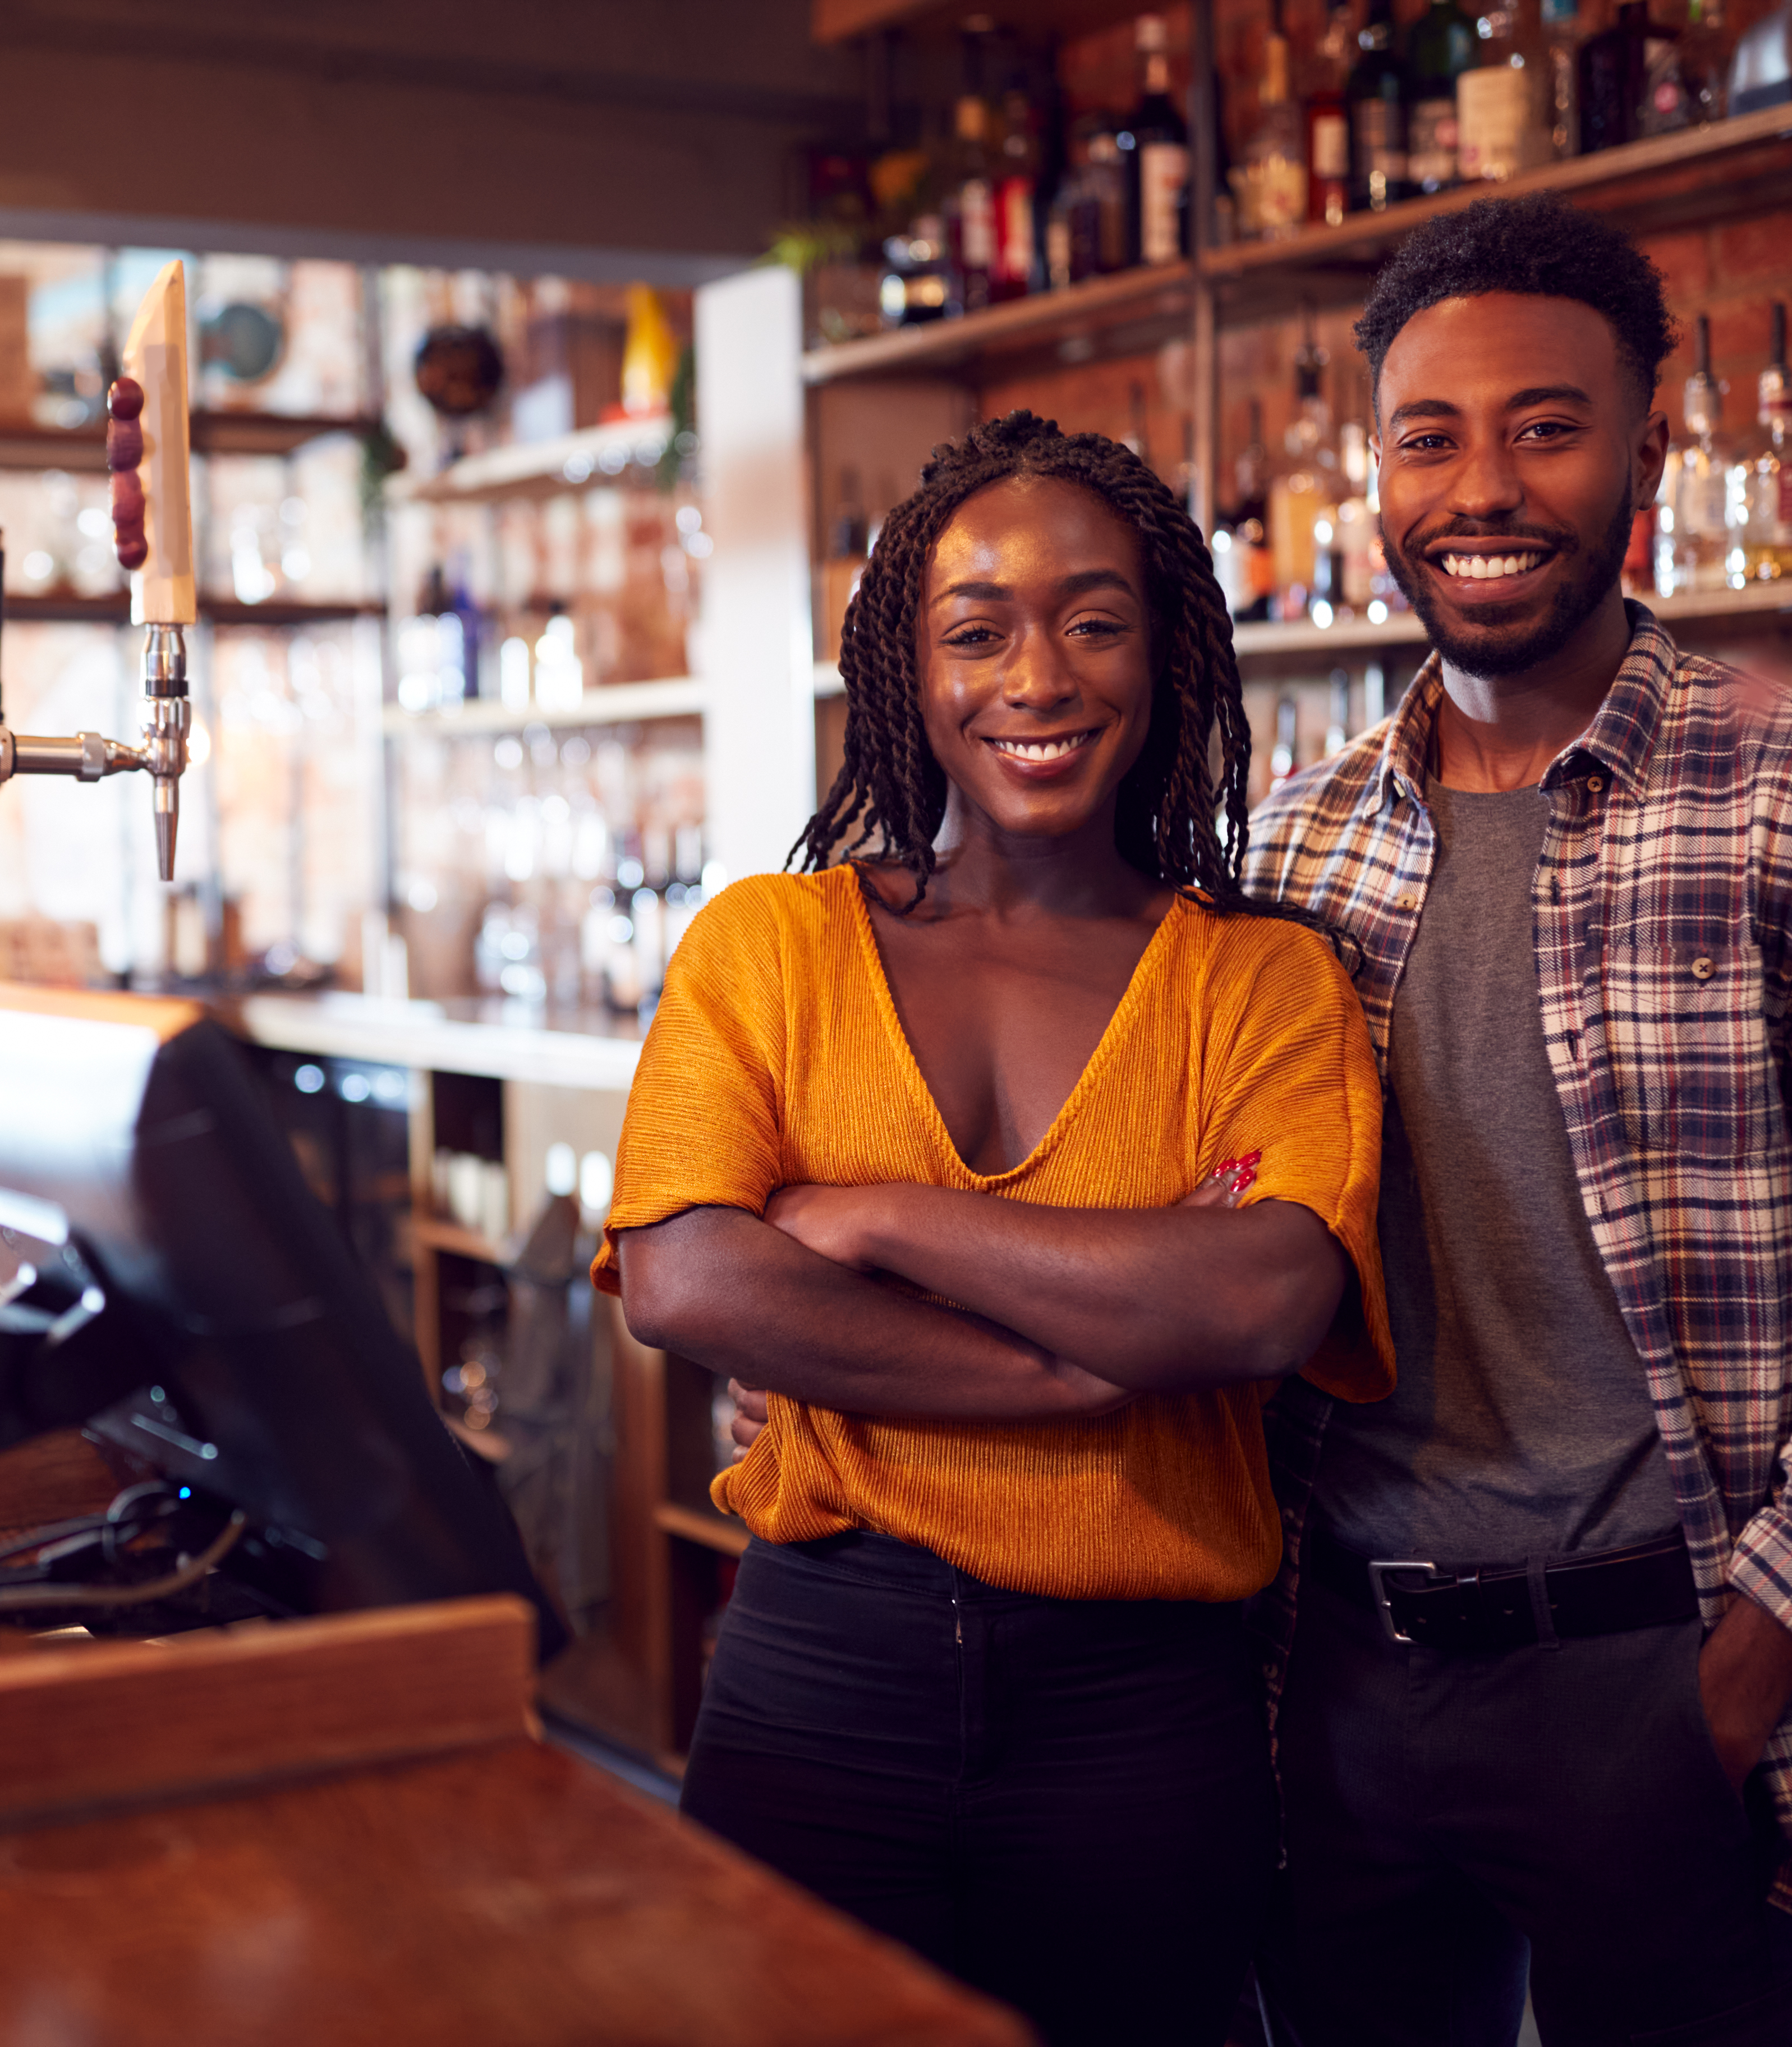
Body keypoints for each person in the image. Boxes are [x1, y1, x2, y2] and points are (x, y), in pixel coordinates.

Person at [1244, 194, 1792, 2043]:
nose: (1483, 487)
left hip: (1656, 1674)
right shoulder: (1289, 847)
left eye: (1545, 425)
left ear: (1647, 449)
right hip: (1333, 1667)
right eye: (1430, 436)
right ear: (1376, 470)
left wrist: (1734, 1685)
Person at [594, 413, 1394, 2044]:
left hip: (1145, 1722)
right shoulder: (771, 945)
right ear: (909, 667)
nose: (1039, 677)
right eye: (979, 631)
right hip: (823, 1676)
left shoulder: (1262, 982)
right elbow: (683, 1272)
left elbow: (1257, 1298)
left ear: (1167, 653)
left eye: (1095, 621)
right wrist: (1086, 1367)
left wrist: (870, 1215)